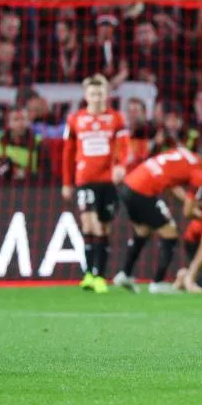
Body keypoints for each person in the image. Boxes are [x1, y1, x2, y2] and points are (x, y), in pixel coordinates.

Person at [113, 147, 202, 293]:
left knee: (143, 231)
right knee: (171, 234)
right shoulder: (197, 173)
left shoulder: (182, 151)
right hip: (143, 192)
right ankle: (158, 282)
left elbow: (172, 184)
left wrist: (192, 203)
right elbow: (187, 212)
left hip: (129, 185)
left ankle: (124, 273)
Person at [62, 74, 129, 294]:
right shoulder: (75, 119)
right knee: (89, 225)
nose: (97, 97)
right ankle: (90, 274)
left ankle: (99, 274)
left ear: (106, 94)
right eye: (92, 93)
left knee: (104, 228)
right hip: (84, 179)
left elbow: (123, 145)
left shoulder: (116, 118)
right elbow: (68, 153)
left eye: (100, 93)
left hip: (107, 181)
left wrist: (120, 165)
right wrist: (66, 182)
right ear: (86, 95)